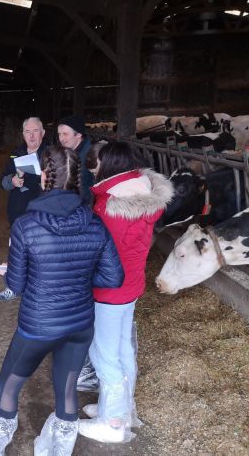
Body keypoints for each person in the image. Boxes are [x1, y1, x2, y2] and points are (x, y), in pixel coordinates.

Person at [0, 145, 124, 456]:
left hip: (39, 325)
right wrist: (76, 277)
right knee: (67, 389)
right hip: (79, 325)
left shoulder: (26, 225)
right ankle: (58, 451)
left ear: (44, 175)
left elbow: (16, 284)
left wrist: (13, 272)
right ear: (78, 179)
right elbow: (114, 278)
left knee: (9, 384)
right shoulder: (95, 223)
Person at [77, 141, 173, 443]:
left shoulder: (111, 207)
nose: (94, 167)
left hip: (108, 291)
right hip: (130, 286)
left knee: (104, 355)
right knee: (122, 349)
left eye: (97, 162)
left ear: (110, 165)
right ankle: (122, 408)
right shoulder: (144, 193)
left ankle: (113, 423)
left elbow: (98, 254)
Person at [0, 116, 49, 301]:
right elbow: (2, 181)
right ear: (23, 134)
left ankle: (38, 290)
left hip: (41, 210)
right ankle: (13, 286)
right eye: (28, 132)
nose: (31, 136)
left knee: (40, 250)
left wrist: (44, 179)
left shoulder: (50, 154)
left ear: (43, 133)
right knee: (16, 249)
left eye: (35, 131)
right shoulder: (15, 154)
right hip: (18, 209)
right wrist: (12, 180)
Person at [57, 116, 93, 204]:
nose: (61, 139)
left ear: (78, 135)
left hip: (83, 206)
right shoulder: (67, 151)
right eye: (59, 134)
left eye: (65, 134)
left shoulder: (91, 156)